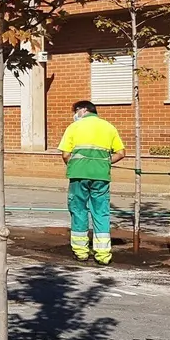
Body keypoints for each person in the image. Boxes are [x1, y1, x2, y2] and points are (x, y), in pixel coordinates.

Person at [58, 100, 125, 264]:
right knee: (101, 212)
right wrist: (103, 163)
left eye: (75, 111)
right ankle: (103, 255)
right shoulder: (109, 127)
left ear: (82, 110)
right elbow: (121, 153)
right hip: (101, 176)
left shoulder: (74, 127)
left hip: (78, 175)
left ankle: (81, 252)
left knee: (79, 210)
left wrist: (76, 165)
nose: (74, 115)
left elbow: (66, 154)